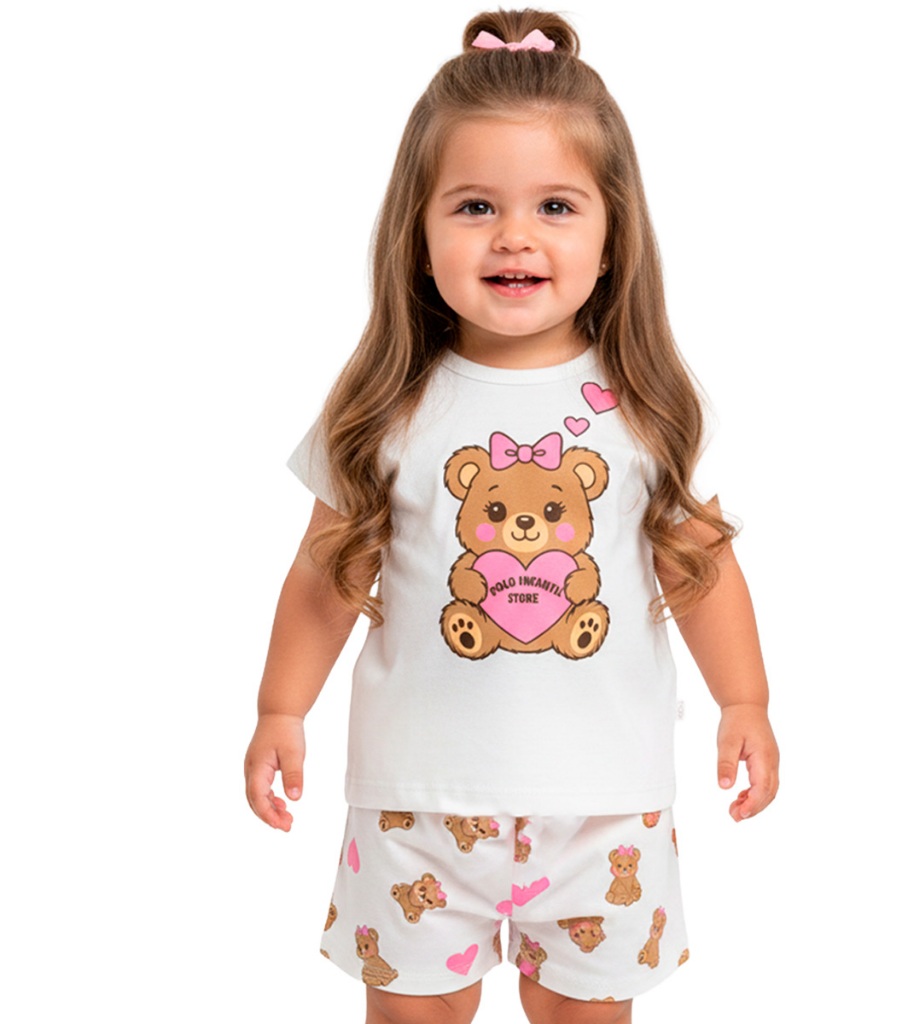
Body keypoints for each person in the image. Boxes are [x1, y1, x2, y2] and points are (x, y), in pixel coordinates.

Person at [244, 9, 779, 1023]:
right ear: (418, 232)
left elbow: (699, 566)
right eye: (476, 205)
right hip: (413, 803)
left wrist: (744, 701)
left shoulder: (645, 404)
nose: (515, 235)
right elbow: (324, 573)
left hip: (606, 806)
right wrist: (281, 709)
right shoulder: (386, 405)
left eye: (556, 206)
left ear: (613, 236)